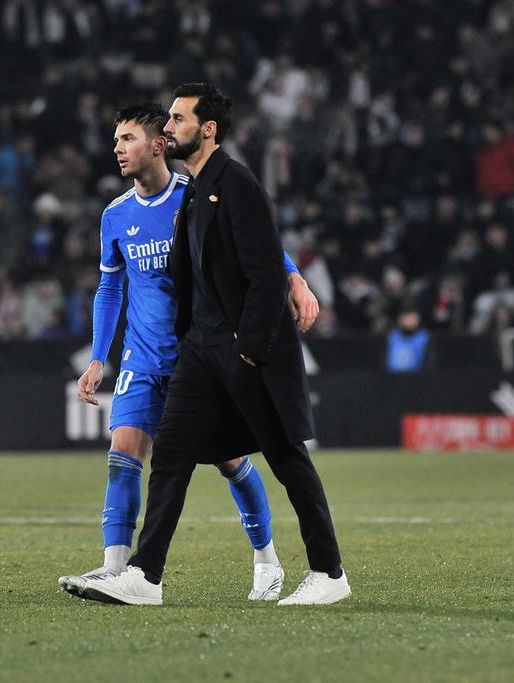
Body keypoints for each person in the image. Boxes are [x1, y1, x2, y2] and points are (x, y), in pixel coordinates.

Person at [80, 84, 349, 606]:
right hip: (182, 352)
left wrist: (288, 289)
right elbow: (121, 286)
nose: (168, 128)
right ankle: (137, 574)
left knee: (271, 457)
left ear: (201, 131)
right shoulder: (162, 201)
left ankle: (309, 568)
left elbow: (264, 257)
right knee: (162, 457)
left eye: (175, 120)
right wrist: (100, 354)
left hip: (231, 348)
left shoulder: (225, 186)